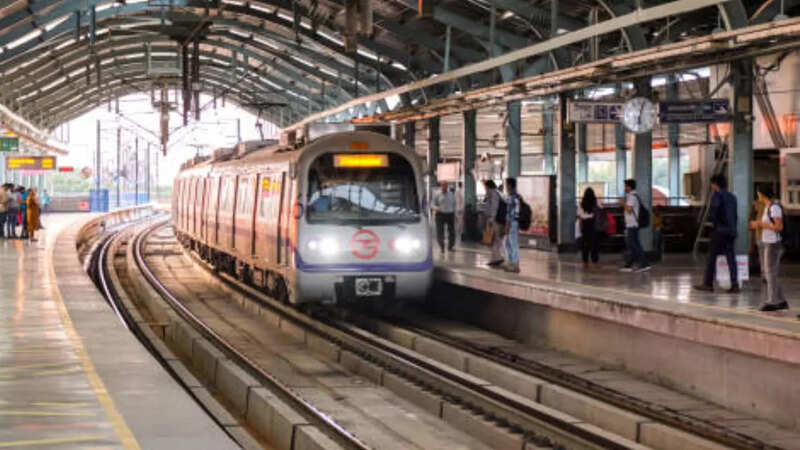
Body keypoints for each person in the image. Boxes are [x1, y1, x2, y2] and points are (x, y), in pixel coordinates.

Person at [695, 175, 739, 293]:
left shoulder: (717, 195)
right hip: (731, 231)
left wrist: (713, 224)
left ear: (715, 184)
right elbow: (734, 215)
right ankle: (735, 284)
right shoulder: (732, 197)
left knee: (711, 258)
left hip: (719, 231)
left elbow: (714, 213)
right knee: (731, 259)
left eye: (712, 184)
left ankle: (708, 284)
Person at [750, 186, 787, 311]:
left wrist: (760, 224)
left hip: (773, 244)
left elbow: (778, 226)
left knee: (769, 273)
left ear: (762, 194)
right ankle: (781, 300)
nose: (758, 196)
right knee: (770, 273)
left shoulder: (774, 207)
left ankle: (773, 301)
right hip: (767, 242)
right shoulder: (767, 207)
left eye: (758, 194)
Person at [620, 179, 651, 272]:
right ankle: (629, 265)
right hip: (631, 224)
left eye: (625, 186)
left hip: (633, 224)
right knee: (633, 244)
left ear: (629, 187)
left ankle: (644, 264)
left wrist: (623, 203)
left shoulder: (632, 197)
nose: (624, 188)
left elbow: (629, 209)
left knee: (634, 245)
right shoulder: (631, 196)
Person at [481, 180, 505, 266]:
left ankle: (497, 258)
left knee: (493, 239)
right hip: (494, 220)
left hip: (495, 220)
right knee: (495, 239)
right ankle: (497, 257)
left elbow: (494, 207)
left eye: (485, 186)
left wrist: (491, 219)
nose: (485, 188)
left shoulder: (494, 194)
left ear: (488, 186)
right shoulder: (493, 193)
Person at [577, 187, 601, 266]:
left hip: (585, 224)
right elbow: (600, 210)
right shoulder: (595, 203)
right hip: (593, 224)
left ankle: (585, 260)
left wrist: (580, 227)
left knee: (585, 243)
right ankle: (595, 259)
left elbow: (580, 217)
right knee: (594, 243)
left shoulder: (581, 204)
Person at [432, 182, 456, 254]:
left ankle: (450, 247)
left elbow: (454, 204)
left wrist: (454, 212)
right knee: (440, 231)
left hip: (450, 214)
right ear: (441, 186)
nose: (444, 187)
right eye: (443, 186)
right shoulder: (437, 194)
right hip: (440, 214)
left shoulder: (451, 194)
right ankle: (442, 247)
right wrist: (437, 208)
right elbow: (432, 204)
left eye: (445, 186)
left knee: (451, 231)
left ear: (447, 187)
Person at [503, 178, 520, 273]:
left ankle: (515, 264)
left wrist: (507, 224)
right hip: (513, 222)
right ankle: (511, 262)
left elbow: (511, 213)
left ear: (509, 185)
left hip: (512, 222)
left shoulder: (512, 197)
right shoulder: (514, 196)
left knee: (513, 243)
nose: (505, 186)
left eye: (506, 184)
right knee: (508, 242)